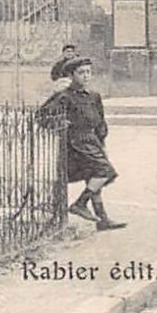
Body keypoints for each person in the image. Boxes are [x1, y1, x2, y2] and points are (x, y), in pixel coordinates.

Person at [37, 58, 124, 230]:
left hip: (92, 142)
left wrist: (102, 141)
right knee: (105, 172)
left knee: (94, 180)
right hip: (75, 144)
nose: (86, 76)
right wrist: (59, 124)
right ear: (71, 75)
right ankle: (80, 204)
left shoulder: (94, 96)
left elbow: (100, 122)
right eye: (81, 73)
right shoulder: (64, 96)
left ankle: (103, 220)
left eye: (88, 72)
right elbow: (42, 116)